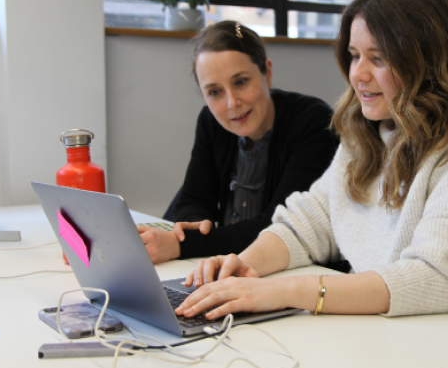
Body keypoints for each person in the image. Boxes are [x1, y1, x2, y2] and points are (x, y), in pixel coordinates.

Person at [174, 0, 448, 321]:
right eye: (354, 55)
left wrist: (284, 290)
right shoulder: (373, 134)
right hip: (395, 328)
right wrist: (246, 265)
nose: (357, 75)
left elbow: (437, 277)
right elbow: (312, 220)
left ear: (428, 62)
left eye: (378, 59)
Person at [138, 21, 339, 264]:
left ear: (267, 72)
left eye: (241, 82)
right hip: (226, 265)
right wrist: (196, 223)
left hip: (293, 270)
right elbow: (193, 200)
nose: (232, 103)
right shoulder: (210, 123)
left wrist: (183, 244)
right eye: (214, 92)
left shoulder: (313, 121)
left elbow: (278, 227)